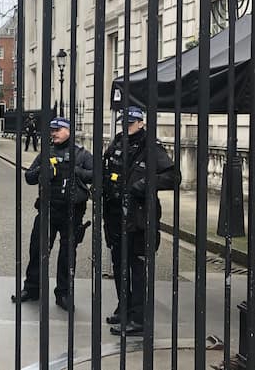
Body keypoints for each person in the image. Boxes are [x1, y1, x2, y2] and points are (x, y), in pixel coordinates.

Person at [102, 106, 180, 335]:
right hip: (115, 214)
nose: (126, 127)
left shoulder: (151, 147)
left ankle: (139, 319)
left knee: (136, 268)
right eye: (123, 123)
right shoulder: (117, 143)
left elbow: (173, 177)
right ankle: (124, 308)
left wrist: (144, 185)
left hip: (139, 217)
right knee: (118, 264)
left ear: (141, 123)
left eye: (130, 123)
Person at [11, 117, 93, 311]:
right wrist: (43, 170)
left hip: (72, 212)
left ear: (69, 131)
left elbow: (96, 175)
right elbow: (29, 177)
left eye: (57, 130)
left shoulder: (81, 154)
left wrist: (76, 171)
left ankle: (63, 294)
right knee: (38, 250)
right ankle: (32, 288)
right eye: (51, 130)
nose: (53, 133)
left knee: (67, 254)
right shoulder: (46, 153)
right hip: (48, 209)